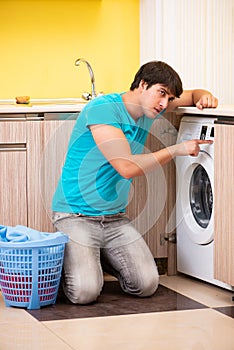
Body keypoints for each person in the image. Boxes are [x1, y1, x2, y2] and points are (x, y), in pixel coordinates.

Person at [52, 61, 218, 304]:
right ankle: (80, 259)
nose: (164, 104)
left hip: (114, 218)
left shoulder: (151, 107)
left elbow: (193, 95)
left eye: (169, 97)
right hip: (74, 215)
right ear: (142, 84)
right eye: (161, 93)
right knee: (84, 293)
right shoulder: (103, 109)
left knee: (146, 284)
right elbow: (126, 166)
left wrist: (206, 97)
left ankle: (98, 256)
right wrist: (177, 150)